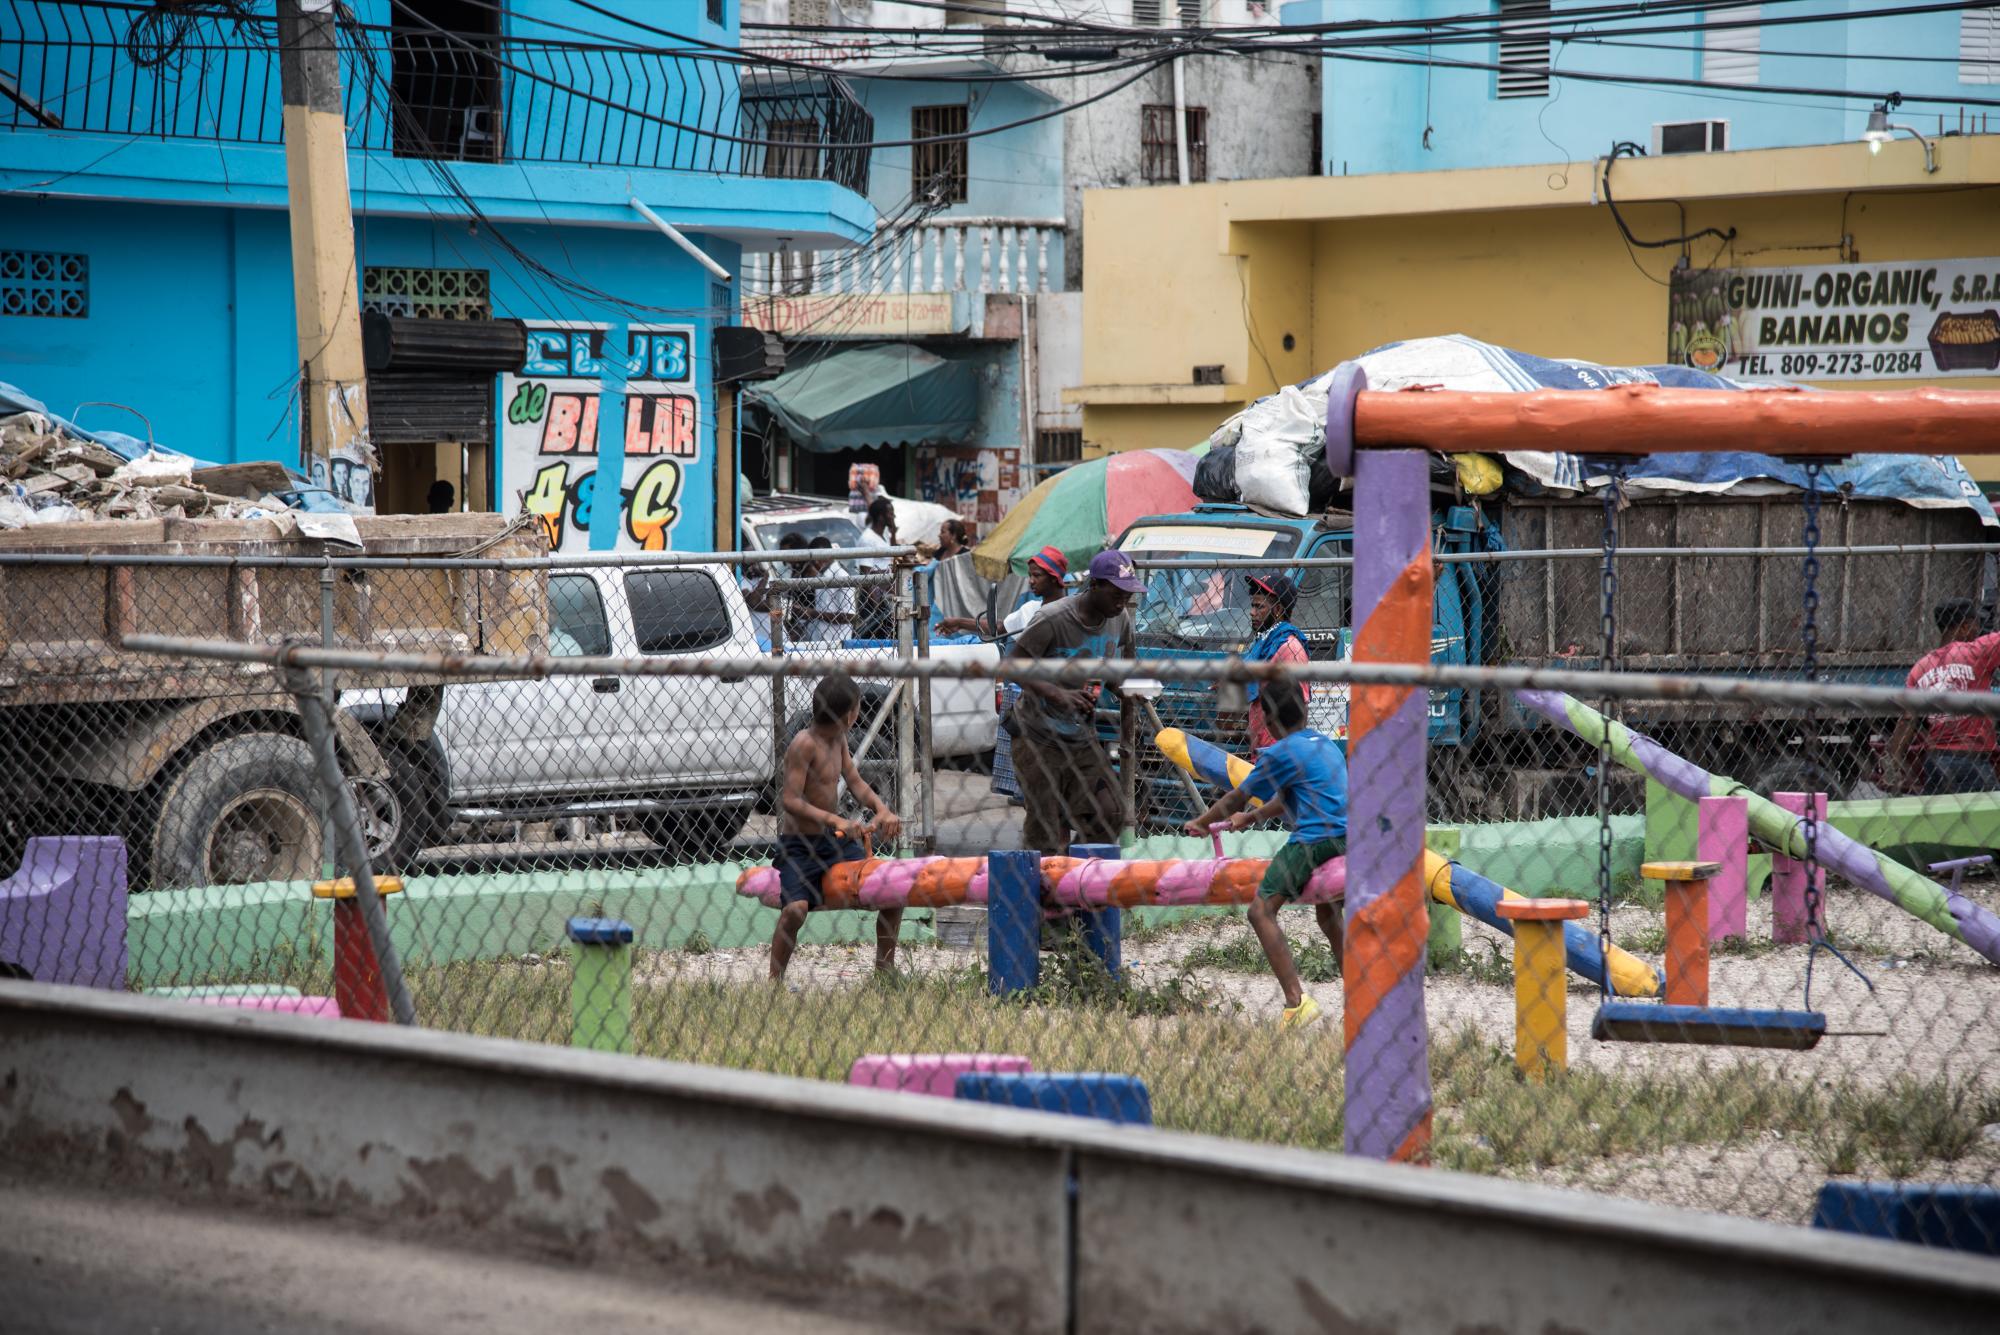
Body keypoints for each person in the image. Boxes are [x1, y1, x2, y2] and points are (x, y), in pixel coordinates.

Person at [1183, 677, 1348, 1029]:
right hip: (1347, 837)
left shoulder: (1280, 752)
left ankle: (1295, 1002)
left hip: (1314, 841)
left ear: (1269, 722)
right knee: (1329, 916)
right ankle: (1362, 989)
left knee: (1260, 912)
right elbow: (1287, 798)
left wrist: (1201, 821)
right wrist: (1253, 818)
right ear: (1304, 710)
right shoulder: (1324, 745)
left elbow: (1234, 797)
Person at [1006, 549, 1141, 855]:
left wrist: (1130, 688)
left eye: (1127, 595)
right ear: (1094, 586)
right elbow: (1011, 666)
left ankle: (1080, 883)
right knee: (1046, 831)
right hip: (1037, 735)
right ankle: (1045, 895)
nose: (1122, 602)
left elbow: (1120, 673)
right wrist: (1057, 694)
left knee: (1110, 813)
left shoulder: (1119, 620)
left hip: (1081, 736)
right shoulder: (1052, 619)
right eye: (1116, 594)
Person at [770, 674, 904, 982]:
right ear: (850, 714)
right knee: (795, 911)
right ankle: (773, 983)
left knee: (890, 891)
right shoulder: (804, 744)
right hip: (800, 845)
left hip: (834, 843)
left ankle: (885, 972)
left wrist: (881, 809)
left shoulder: (839, 740)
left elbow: (855, 782)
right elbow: (790, 800)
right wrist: (837, 820)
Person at [1892, 597, 2000, 794]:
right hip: (1973, 759)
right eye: (1976, 625)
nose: (1978, 630)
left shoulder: (1921, 667)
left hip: (1936, 760)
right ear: (1966, 626)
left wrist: (1894, 758)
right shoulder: (1978, 651)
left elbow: (1907, 720)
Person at [938, 545, 1067, 641]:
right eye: (1030, 575)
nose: (1031, 581)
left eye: (1037, 575)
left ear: (1054, 578)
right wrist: (959, 622)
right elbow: (1000, 628)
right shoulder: (1030, 609)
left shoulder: (1073, 611)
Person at [1243, 572, 1310, 754]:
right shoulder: (1264, 644)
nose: (1252, 612)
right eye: (1252, 606)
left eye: (1259, 607)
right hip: (1262, 746)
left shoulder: (1289, 648)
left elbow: (1299, 708)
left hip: (1279, 750)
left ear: (1278, 610)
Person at [803, 535, 857, 645]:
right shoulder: (821, 575)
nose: (817, 562)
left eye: (820, 556)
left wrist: (813, 613)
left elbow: (849, 616)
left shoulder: (841, 576)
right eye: (814, 559)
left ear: (830, 553)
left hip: (837, 643)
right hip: (820, 641)